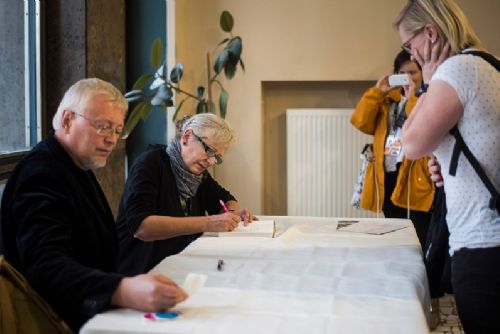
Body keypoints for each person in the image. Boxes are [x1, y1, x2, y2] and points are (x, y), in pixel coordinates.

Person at [0, 78, 187, 332]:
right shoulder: (40, 174)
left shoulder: (73, 164)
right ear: (67, 120)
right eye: (103, 127)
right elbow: (45, 267)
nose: (111, 139)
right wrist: (122, 289)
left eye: (117, 130)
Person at [394, 0, 500, 333]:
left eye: (411, 45)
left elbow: (409, 145)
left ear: (431, 33)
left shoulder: (457, 69)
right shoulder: (491, 63)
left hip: (483, 242)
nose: (412, 55)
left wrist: (425, 84)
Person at [116, 113, 255, 275]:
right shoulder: (149, 164)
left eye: (216, 157)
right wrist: (209, 222)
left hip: (180, 264)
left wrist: (232, 214)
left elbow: (225, 198)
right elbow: (141, 227)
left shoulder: (197, 174)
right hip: (142, 270)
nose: (211, 162)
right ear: (187, 137)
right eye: (209, 151)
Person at [350, 49, 434, 248]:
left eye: (413, 72)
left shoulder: (428, 97)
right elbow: (360, 122)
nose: (408, 78)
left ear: (422, 73)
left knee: (420, 232)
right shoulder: (387, 100)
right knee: (394, 230)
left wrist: (412, 97)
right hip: (387, 172)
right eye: (402, 73)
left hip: (415, 174)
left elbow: (422, 126)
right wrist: (377, 92)